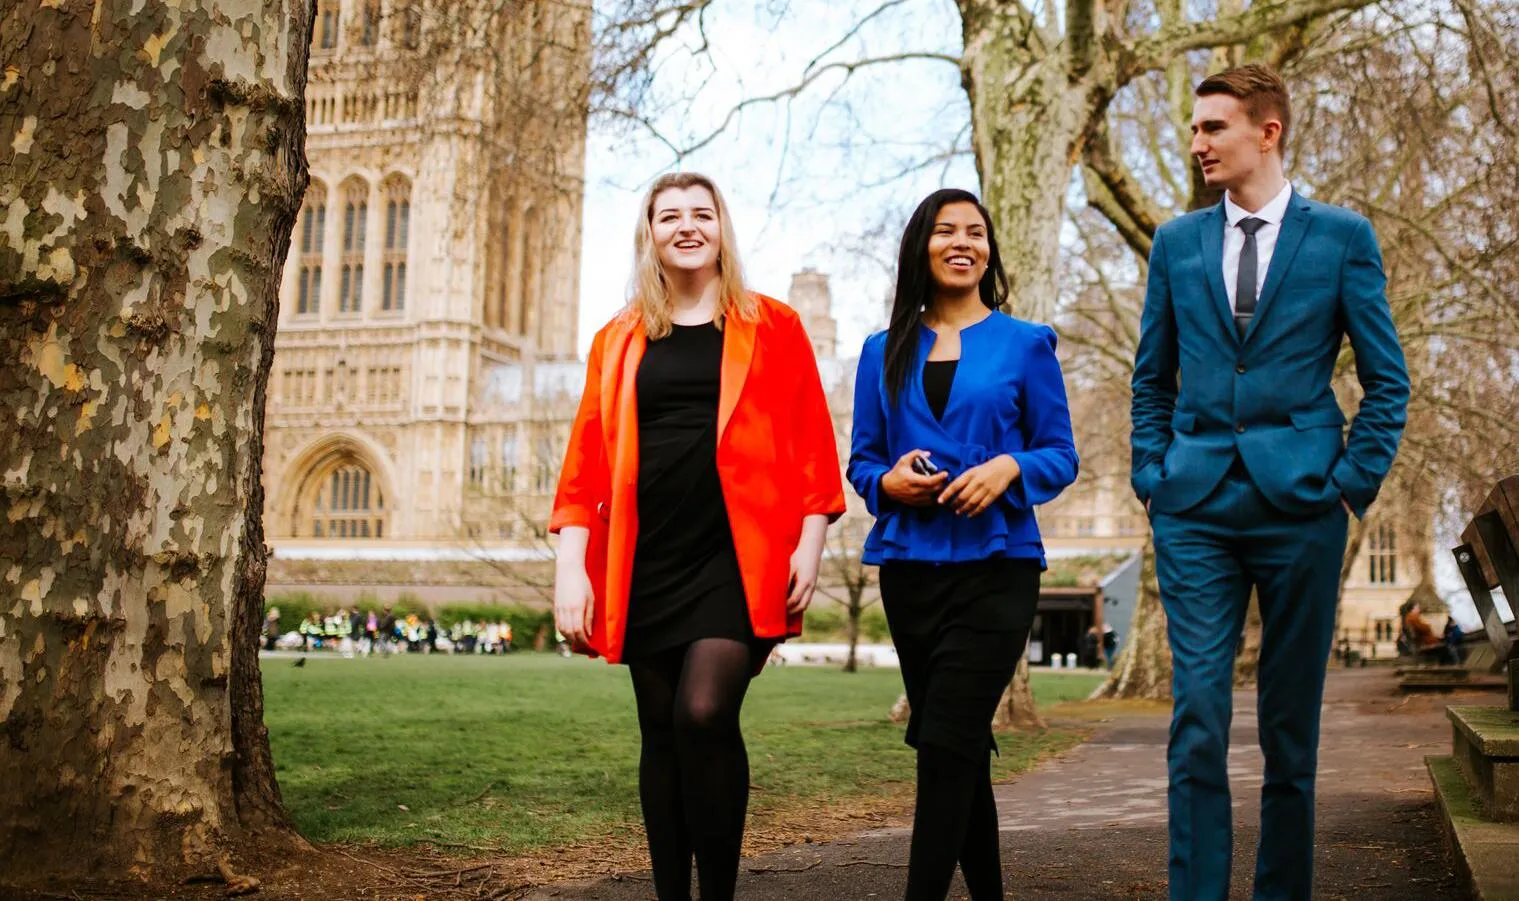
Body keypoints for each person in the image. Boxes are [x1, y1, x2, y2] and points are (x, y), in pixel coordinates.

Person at [1130, 64, 1409, 901]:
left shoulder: (1340, 238)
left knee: (1291, 731)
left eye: (1212, 127)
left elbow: (1385, 380)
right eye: (1193, 127)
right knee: (1197, 721)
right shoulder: (1176, 243)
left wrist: (1349, 483)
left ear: (1267, 131)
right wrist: (1152, 475)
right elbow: (1151, 379)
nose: (1196, 143)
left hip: (1303, 507)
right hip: (1195, 508)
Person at [551, 171, 845, 901]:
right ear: (649, 232)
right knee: (660, 732)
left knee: (703, 712)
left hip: (737, 559)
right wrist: (570, 568)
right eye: (669, 215)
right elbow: (583, 464)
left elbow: (812, 443)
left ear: (721, 227)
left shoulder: (772, 325)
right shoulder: (617, 338)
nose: (686, 226)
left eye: (701, 213)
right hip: (646, 558)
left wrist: (808, 542)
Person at [847, 187, 1078, 901]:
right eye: (944, 230)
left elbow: (1058, 454)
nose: (961, 242)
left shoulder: (1025, 342)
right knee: (959, 748)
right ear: (920, 246)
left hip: (997, 569)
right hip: (910, 574)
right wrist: (889, 482)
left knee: (945, 740)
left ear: (988, 250)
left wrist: (1010, 466)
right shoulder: (880, 350)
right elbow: (860, 463)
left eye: (974, 231)